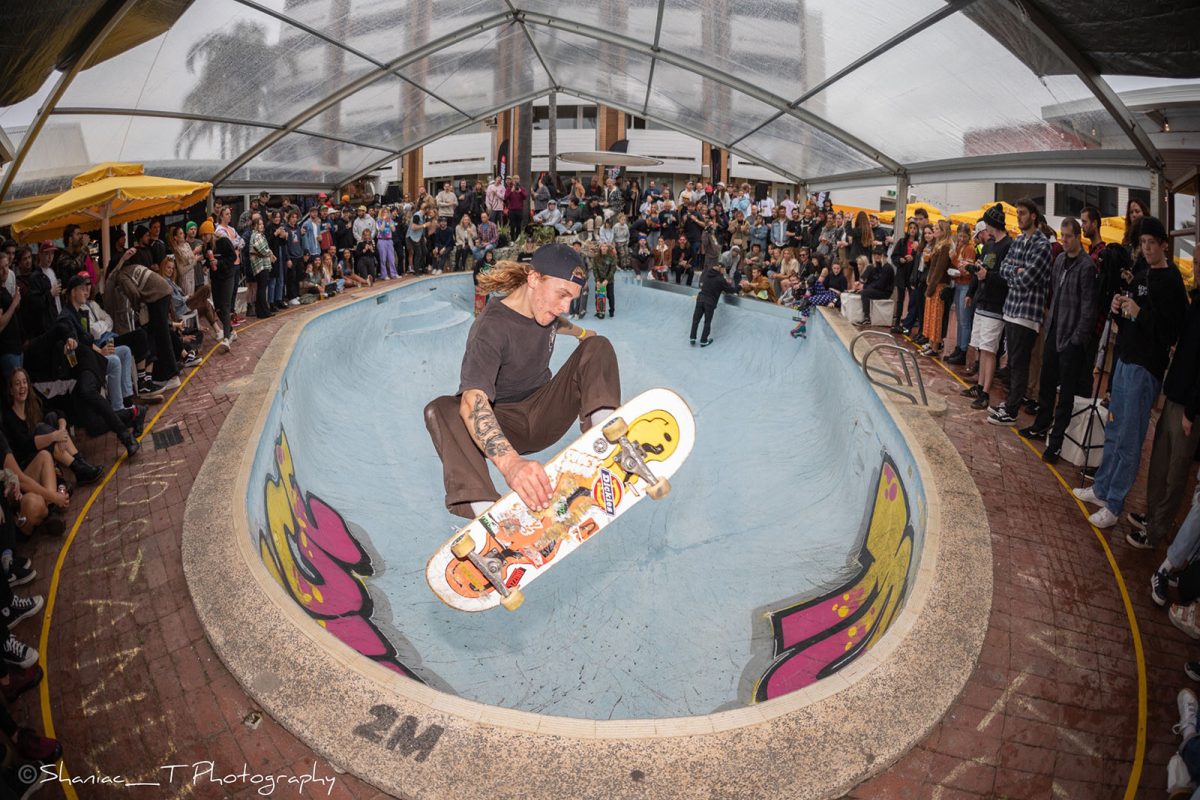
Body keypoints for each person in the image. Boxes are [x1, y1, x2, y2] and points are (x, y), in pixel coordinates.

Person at [423, 244, 619, 519]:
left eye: (572, 299)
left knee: (598, 346)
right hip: (506, 425)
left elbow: (561, 324)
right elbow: (473, 400)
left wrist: (583, 333)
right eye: (562, 294)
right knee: (442, 409)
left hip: (545, 412)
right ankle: (485, 511)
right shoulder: (490, 328)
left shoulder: (546, 310)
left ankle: (606, 436)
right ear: (534, 278)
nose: (566, 306)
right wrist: (511, 464)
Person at [1074, 216, 1187, 528]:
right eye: (1143, 243)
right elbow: (1130, 317)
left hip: (1145, 368)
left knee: (1129, 438)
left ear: (1164, 245)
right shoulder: (1141, 272)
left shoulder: (1172, 281)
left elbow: (1170, 332)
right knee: (1114, 429)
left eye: (1152, 243)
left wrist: (1139, 313)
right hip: (1125, 359)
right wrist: (1119, 309)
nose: (1147, 249)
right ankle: (1102, 489)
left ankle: (1114, 504)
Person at [1016, 218, 1097, 464]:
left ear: (1078, 237)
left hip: (1071, 338)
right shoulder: (1060, 259)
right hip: (1053, 330)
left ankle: (1057, 443)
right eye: (1062, 235)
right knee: (1047, 383)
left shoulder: (1087, 266)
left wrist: (1076, 339)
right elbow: (1053, 291)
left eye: (1069, 236)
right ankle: (1041, 426)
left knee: (1066, 393)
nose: (1064, 240)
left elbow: (1088, 309)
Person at [3, 368, 103, 485]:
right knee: (41, 429)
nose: (22, 386)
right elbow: (26, 446)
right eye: (17, 383)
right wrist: (54, 436)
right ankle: (80, 468)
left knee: (51, 417)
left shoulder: (32, 404)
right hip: (29, 464)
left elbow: (58, 412)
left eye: (24, 382)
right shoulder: (9, 418)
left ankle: (81, 466)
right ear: (11, 390)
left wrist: (61, 432)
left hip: (44, 448)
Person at [961, 204, 1012, 411]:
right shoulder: (990, 245)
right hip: (983, 301)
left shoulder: (1008, 245)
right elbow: (983, 268)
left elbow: (1007, 277)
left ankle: (985, 394)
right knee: (981, 347)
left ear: (993, 224)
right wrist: (972, 268)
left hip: (995, 305)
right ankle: (980, 386)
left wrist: (986, 275)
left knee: (989, 350)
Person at [690, 261, 738, 347]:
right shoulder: (720, 279)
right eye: (724, 269)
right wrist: (740, 287)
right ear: (721, 269)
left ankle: (692, 338)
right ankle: (703, 340)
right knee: (707, 322)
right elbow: (730, 290)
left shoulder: (707, 274)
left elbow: (703, 283)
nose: (725, 271)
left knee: (695, 320)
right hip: (710, 302)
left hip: (700, 299)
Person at [856, 252, 896, 327]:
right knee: (870, 268)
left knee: (865, 293)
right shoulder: (877, 266)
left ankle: (867, 317)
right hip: (879, 288)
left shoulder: (887, 267)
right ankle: (862, 282)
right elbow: (874, 281)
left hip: (885, 292)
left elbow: (881, 284)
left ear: (883, 256)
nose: (877, 256)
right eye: (875, 255)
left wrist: (866, 287)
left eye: (879, 254)